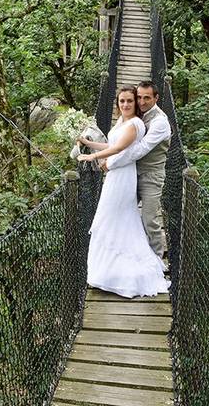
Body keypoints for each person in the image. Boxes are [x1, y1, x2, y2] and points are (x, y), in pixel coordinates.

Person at [77, 87, 169, 298]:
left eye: (130, 101)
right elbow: (113, 143)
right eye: (122, 101)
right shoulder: (123, 121)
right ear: (117, 103)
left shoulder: (139, 123)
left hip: (129, 174)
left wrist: (95, 159)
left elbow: (124, 150)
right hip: (121, 174)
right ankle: (107, 269)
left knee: (122, 217)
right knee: (118, 218)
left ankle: (142, 266)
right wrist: (89, 143)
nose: (126, 104)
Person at [106, 81, 171, 262]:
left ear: (156, 98)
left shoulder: (160, 122)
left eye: (147, 98)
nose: (142, 102)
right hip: (131, 173)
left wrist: (111, 162)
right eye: (139, 97)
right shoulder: (135, 114)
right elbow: (117, 140)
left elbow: (140, 149)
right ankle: (127, 254)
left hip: (152, 176)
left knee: (149, 219)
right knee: (123, 213)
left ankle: (157, 260)